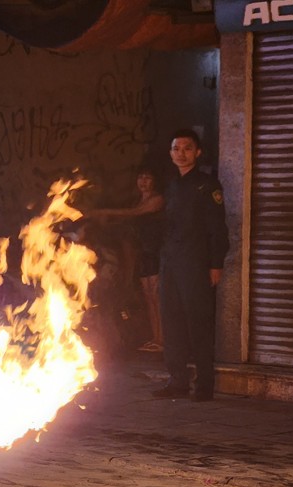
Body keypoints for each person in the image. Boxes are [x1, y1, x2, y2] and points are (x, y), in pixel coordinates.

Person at [152, 129, 230, 402]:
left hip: (196, 263)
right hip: (171, 262)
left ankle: (205, 385)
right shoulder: (171, 185)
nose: (180, 153)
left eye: (186, 148)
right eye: (176, 148)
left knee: (198, 322)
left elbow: (217, 228)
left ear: (197, 152)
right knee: (171, 322)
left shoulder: (208, 185)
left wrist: (215, 263)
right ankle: (178, 381)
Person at [88, 166, 166, 351]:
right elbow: (127, 221)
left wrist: (105, 212)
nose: (143, 181)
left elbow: (133, 214)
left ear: (155, 180)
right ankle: (156, 338)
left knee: (157, 297)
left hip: (156, 252)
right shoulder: (136, 201)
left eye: (147, 177)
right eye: (140, 177)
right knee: (148, 297)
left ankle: (163, 339)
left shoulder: (158, 199)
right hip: (143, 254)